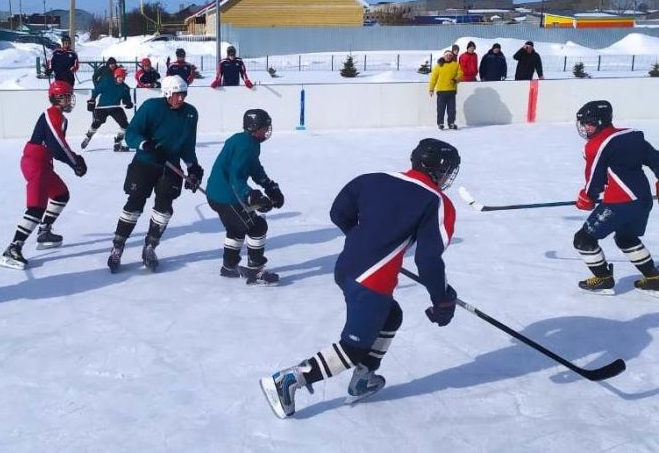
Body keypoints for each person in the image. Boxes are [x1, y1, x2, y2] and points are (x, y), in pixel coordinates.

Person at [260, 138, 461, 419]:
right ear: (440, 171)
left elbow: (338, 213)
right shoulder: (437, 202)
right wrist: (441, 300)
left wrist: (364, 243)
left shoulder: (372, 179)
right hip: (371, 281)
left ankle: (363, 379)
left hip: (346, 268)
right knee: (354, 346)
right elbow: (428, 260)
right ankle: (289, 380)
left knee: (390, 316)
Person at [106, 75, 203, 273]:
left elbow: (187, 145)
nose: (181, 99)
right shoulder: (151, 107)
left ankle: (150, 246)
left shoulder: (191, 113)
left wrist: (193, 166)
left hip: (170, 167)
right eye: (177, 95)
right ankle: (118, 246)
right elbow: (131, 133)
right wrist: (146, 145)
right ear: (167, 93)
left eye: (183, 95)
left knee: (164, 209)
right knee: (134, 204)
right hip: (145, 163)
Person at [0, 81, 87, 270]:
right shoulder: (51, 114)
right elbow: (56, 144)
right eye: (66, 96)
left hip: (43, 164)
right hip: (35, 163)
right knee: (36, 208)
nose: (70, 100)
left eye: (70, 96)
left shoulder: (60, 117)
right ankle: (12, 249)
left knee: (61, 195)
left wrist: (74, 160)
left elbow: (57, 146)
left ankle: (44, 232)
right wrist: (75, 162)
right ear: (56, 98)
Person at [573, 100, 659, 294]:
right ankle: (654, 278)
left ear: (601, 121)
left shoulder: (597, 144)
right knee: (626, 238)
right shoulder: (631, 136)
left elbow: (595, 177)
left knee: (583, 239)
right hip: (643, 201)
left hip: (620, 203)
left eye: (589, 122)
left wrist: (587, 197)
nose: (586, 127)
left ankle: (603, 279)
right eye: (584, 123)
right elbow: (656, 159)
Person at [205, 109, 283, 285]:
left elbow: (254, 167)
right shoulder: (244, 145)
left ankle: (229, 266)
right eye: (264, 127)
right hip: (226, 196)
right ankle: (255, 270)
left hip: (218, 193)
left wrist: (269, 186)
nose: (267, 131)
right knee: (257, 226)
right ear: (254, 127)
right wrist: (251, 196)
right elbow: (236, 177)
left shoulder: (250, 142)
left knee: (237, 228)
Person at [82, 67, 134, 152]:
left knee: (124, 124)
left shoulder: (125, 88)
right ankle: (88, 137)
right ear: (115, 76)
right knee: (97, 122)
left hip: (115, 107)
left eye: (123, 77)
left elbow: (126, 99)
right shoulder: (106, 82)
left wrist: (128, 103)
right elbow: (96, 91)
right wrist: (92, 100)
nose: (121, 79)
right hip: (102, 107)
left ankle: (118, 142)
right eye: (120, 77)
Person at [429, 50, 463, 130]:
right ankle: (440, 123)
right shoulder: (438, 66)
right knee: (441, 109)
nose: (448, 56)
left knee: (452, 109)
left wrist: (456, 79)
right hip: (441, 91)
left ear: (452, 56)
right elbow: (434, 78)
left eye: (450, 55)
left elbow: (460, 74)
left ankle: (451, 123)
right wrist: (431, 89)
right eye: (447, 55)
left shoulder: (455, 65)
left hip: (451, 91)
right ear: (444, 56)